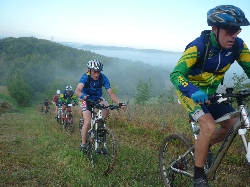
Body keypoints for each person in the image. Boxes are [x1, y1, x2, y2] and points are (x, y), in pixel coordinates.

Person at [170, 5, 250, 187]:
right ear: (215, 29)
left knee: (232, 125)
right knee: (208, 126)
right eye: (230, 30)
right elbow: (176, 75)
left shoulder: (238, 46)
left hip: (212, 94)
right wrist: (192, 91)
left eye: (237, 30)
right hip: (190, 93)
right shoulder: (198, 46)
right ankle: (198, 177)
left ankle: (201, 147)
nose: (234, 35)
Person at [75, 59, 126, 153]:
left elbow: (111, 93)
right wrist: (83, 96)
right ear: (89, 71)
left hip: (97, 97)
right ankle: (83, 144)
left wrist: (119, 103)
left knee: (106, 110)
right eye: (94, 72)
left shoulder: (103, 78)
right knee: (87, 122)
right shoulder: (85, 77)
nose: (97, 75)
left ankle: (98, 128)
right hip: (86, 99)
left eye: (98, 72)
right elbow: (77, 90)